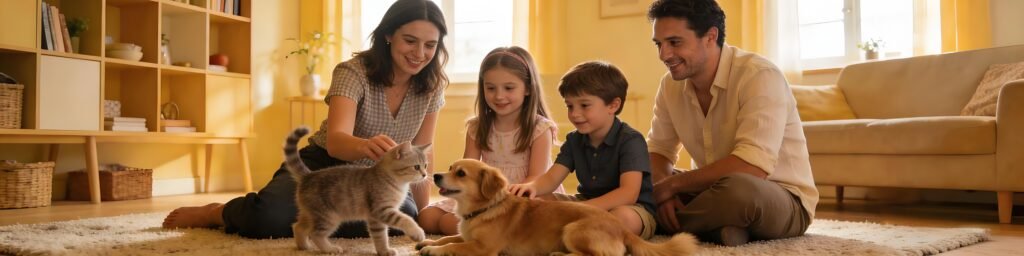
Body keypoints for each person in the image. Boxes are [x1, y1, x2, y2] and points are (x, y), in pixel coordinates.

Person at [161, 0, 449, 239]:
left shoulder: (433, 85)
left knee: (404, 220)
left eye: (430, 45)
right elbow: (336, 141)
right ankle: (216, 211)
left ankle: (326, 219)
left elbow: (424, 149)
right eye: (410, 41)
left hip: (384, 178)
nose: (420, 54)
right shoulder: (354, 72)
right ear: (388, 35)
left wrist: (423, 211)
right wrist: (364, 147)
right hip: (325, 166)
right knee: (268, 219)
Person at [645, 0, 819, 246]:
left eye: (674, 42)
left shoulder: (759, 75)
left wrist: (668, 187)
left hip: (779, 198)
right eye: (658, 44)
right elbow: (658, 151)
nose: (664, 55)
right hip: (712, 191)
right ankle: (719, 230)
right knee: (635, 174)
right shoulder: (669, 85)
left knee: (739, 190)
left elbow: (753, 167)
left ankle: (643, 220)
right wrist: (663, 194)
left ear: (710, 36)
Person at [417, 46, 563, 235]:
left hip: (524, 197)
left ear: (527, 88)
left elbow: (536, 177)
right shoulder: (477, 127)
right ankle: (487, 231)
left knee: (448, 223)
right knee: (426, 218)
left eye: (509, 88)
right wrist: (456, 189)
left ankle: (493, 234)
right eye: (491, 88)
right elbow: (466, 170)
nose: (499, 96)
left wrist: (502, 199)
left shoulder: (540, 128)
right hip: (484, 193)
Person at [508, 61, 657, 239]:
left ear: (613, 105)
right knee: (537, 201)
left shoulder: (631, 140)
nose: (575, 114)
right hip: (585, 203)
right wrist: (531, 187)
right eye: (570, 106)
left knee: (622, 218)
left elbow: (628, 194)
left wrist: (584, 209)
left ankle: (580, 238)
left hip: (630, 208)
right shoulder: (574, 140)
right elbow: (551, 178)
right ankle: (572, 237)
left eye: (584, 105)